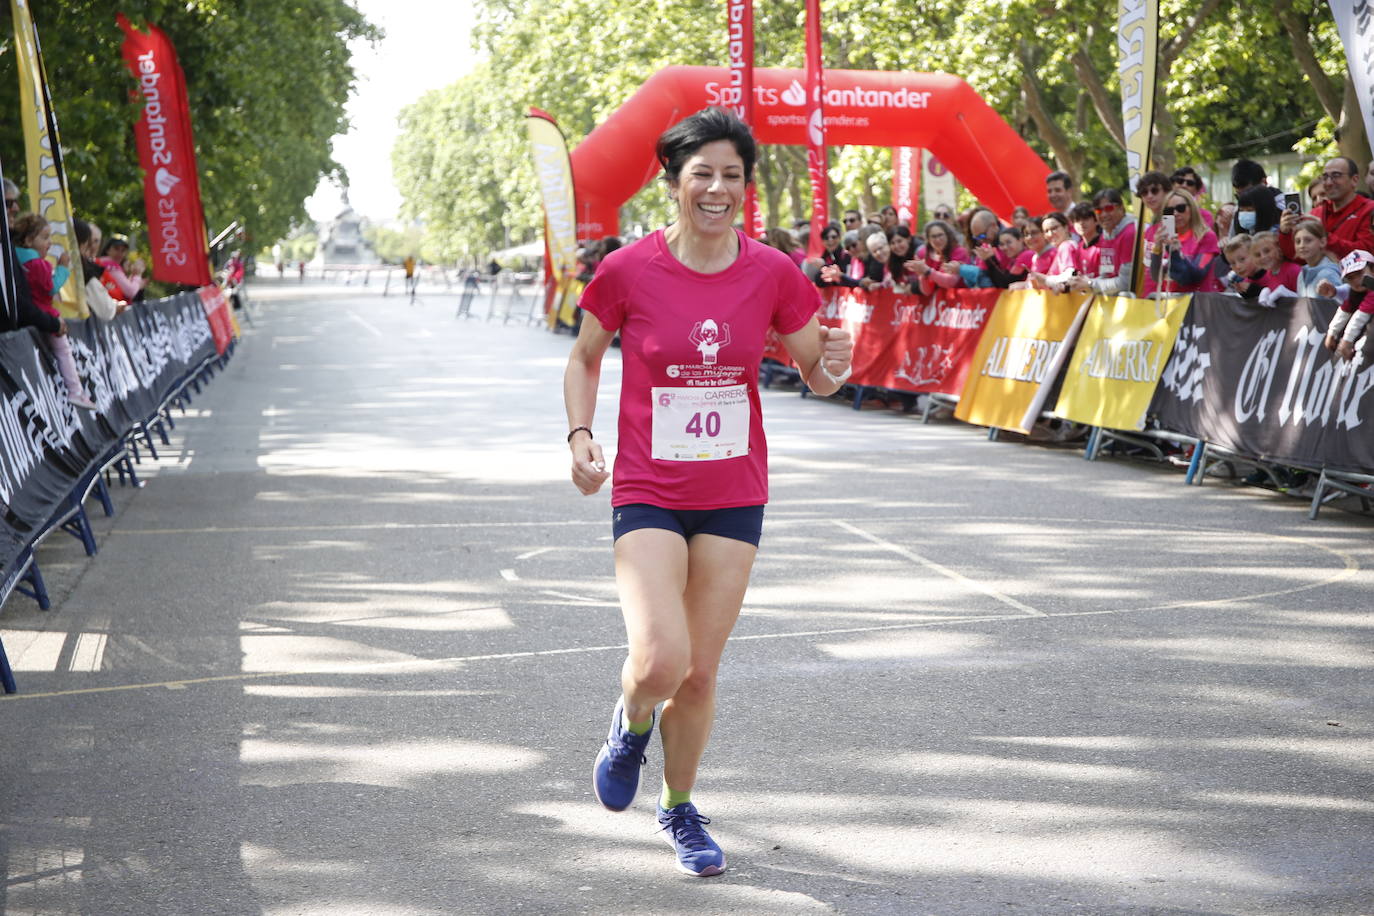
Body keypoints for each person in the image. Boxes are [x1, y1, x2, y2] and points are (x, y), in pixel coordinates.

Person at [562, 106, 853, 879]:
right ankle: (628, 727)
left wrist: (839, 363)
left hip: (734, 492)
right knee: (659, 661)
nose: (718, 189)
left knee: (697, 673)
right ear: (675, 184)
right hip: (650, 487)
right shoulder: (627, 268)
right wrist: (581, 435)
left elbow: (818, 377)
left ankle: (679, 807)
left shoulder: (773, 272)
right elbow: (585, 359)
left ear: (746, 187)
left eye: (732, 176)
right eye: (703, 175)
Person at [12, 212, 95, 409]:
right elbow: (52, 287)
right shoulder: (38, 264)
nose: (49, 243)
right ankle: (75, 391)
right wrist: (63, 269)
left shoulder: (17, 260)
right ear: (29, 239)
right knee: (64, 351)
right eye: (45, 237)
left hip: (34, 317)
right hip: (46, 317)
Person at [0, 178, 64, 338]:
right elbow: (15, 301)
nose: (16, 208)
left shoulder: (8, 245)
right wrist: (52, 323)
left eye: (15, 202)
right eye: (8, 203)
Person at [1279, 156, 1374, 262]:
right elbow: (1298, 257)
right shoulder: (1316, 213)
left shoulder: (1369, 209)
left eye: (1336, 175)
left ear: (1354, 180)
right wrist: (1285, 233)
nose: (1328, 182)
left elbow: (1366, 253)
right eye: (1325, 177)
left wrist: (1324, 236)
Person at [1147, 188, 1220, 295]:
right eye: (1170, 210)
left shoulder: (1206, 236)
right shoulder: (1166, 237)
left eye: (1181, 208)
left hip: (1198, 304)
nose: (1175, 213)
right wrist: (1157, 248)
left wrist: (1175, 253)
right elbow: (1156, 277)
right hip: (1172, 304)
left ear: (1192, 209)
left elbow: (1195, 276)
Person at [72, 218, 129, 320]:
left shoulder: (96, 267)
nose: (92, 246)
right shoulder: (85, 270)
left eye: (96, 241)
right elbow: (106, 308)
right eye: (90, 241)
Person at [1322, 249, 1374, 360]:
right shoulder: (1355, 292)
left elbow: (1361, 315)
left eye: (1359, 273)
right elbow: (1345, 309)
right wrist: (1331, 333)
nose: (1356, 281)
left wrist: (1347, 341)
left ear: (1373, 269)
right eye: (1350, 277)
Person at [97, 234, 148, 302]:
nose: (120, 253)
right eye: (116, 248)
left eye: (123, 250)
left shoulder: (103, 262)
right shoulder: (111, 266)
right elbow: (130, 291)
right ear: (108, 250)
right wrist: (138, 275)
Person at [1218, 234, 1265, 300]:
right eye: (1232, 263)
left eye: (1242, 259)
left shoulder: (1274, 272)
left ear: (1255, 254)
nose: (1237, 266)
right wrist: (1244, 294)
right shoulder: (1245, 283)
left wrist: (1259, 292)